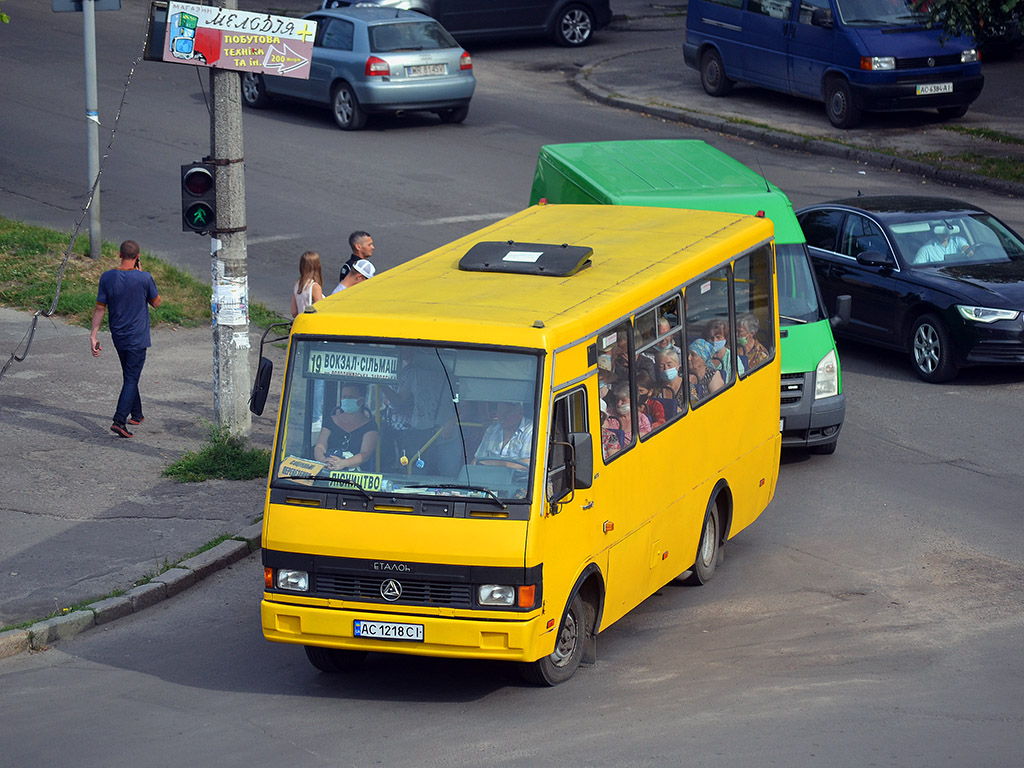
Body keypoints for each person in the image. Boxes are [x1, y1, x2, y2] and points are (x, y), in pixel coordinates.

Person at [90, 240, 162, 438]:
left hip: (118, 336)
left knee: (130, 375)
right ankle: (119, 420)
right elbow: (156, 303)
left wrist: (93, 335)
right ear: (138, 257)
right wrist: (142, 274)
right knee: (131, 377)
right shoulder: (144, 278)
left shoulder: (107, 277)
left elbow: (99, 308)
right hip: (137, 338)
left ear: (119, 254)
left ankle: (137, 415)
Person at [313, 382, 379, 471]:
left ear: (361, 401)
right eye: (344, 397)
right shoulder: (330, 421)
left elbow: (365, 454)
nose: (346, 400)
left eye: (351, 397)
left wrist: (343, 463)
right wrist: (323, 460)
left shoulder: (370, 426)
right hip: (328, 471)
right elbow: (320, 447)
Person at [473, 401, 533, 467]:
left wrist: (495, 463)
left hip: (517, 477)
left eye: (507, 413)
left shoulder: (530, 430)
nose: (501, 417)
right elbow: (478, 459)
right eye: (499, 413)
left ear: (520, 413)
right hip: (489, 475)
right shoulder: (492, 430)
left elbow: (528, 464)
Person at [653, 348, 687, 414]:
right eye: (661, 366)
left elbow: (695, 405)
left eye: (669, 365)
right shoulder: (657, 387)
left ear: (677, 365)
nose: (666, 369)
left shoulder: (687, 386)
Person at [291, 250, 324, 318]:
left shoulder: (297, 284)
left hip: (301, 323)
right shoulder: (314, 287)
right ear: (318, 266)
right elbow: (320, 310)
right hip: (311, 324)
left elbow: (294, 312)